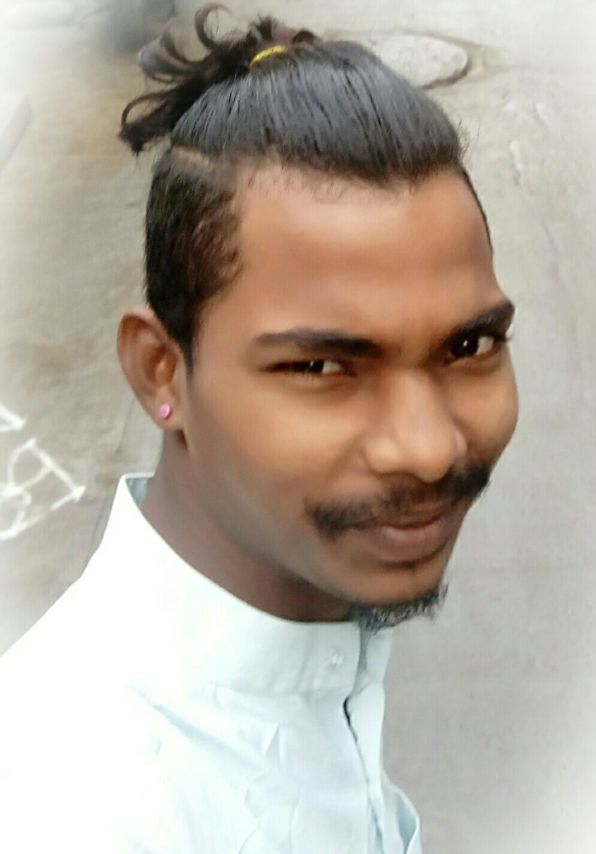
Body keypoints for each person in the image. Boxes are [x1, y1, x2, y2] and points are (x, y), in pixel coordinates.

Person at [0, 5, 518, 852]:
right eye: (322, 367)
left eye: (470, 346)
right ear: (161, 372)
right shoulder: (70, 807)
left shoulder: (307, 637)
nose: (429, 449)